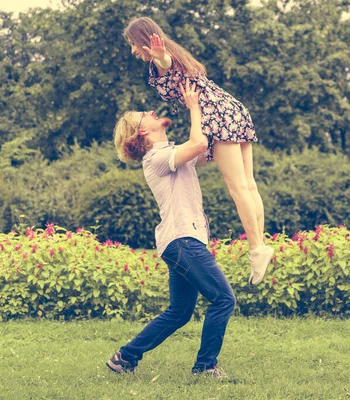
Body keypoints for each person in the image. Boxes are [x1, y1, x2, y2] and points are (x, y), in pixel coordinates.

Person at [123, 16, 273, 285]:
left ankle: (257, 250)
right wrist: (162, 57)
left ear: (145, 40)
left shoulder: (165, 60)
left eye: (134, 44)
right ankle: (260, 244)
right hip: (233, 109)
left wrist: (160, 57)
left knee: (238, 187)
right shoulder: (179, 57)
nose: (133, 50)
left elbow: (166, 65)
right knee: (249, 185)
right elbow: (169, 65)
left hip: (216, 116)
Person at [107, 79, 234, 377]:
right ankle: (205, 367)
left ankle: (124, 357)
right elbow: (200, 143)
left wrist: (207, 108)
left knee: (179, 313)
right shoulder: (156, 158)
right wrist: (193, 108)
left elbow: (206, 149)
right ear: (143, 131)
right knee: (224, 299)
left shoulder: (173, 152)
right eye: (145, 114)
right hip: (182, 241)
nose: (152, 111)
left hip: (181, 241)